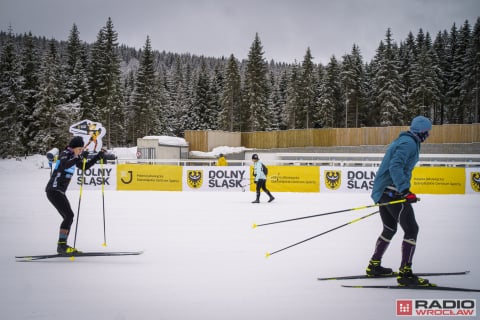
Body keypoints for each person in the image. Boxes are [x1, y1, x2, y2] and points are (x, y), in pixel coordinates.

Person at [365, 115, 432, 286]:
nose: (428, 135)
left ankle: (374, 265)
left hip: (384, 192)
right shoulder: (408, 143)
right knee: (411, 229)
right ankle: (405, 274)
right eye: (427, 132)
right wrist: (404, 190)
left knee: (389, 228)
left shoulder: (407, 141)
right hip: (392, 192)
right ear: (421, 132)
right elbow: (395, 166)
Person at [45, 136, 105, 254]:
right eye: (79, 149)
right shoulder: (65, 153)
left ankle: (62, 245)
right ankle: (62, 246)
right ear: (73, 148)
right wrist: (78, 158)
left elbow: (84, 167)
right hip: (53, 190)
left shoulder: (74, 156)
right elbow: (64, 165)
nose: (81, 151)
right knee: (69, 216)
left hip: (58, 192)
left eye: (82, 149)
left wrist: (97, 157)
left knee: (68, 217)